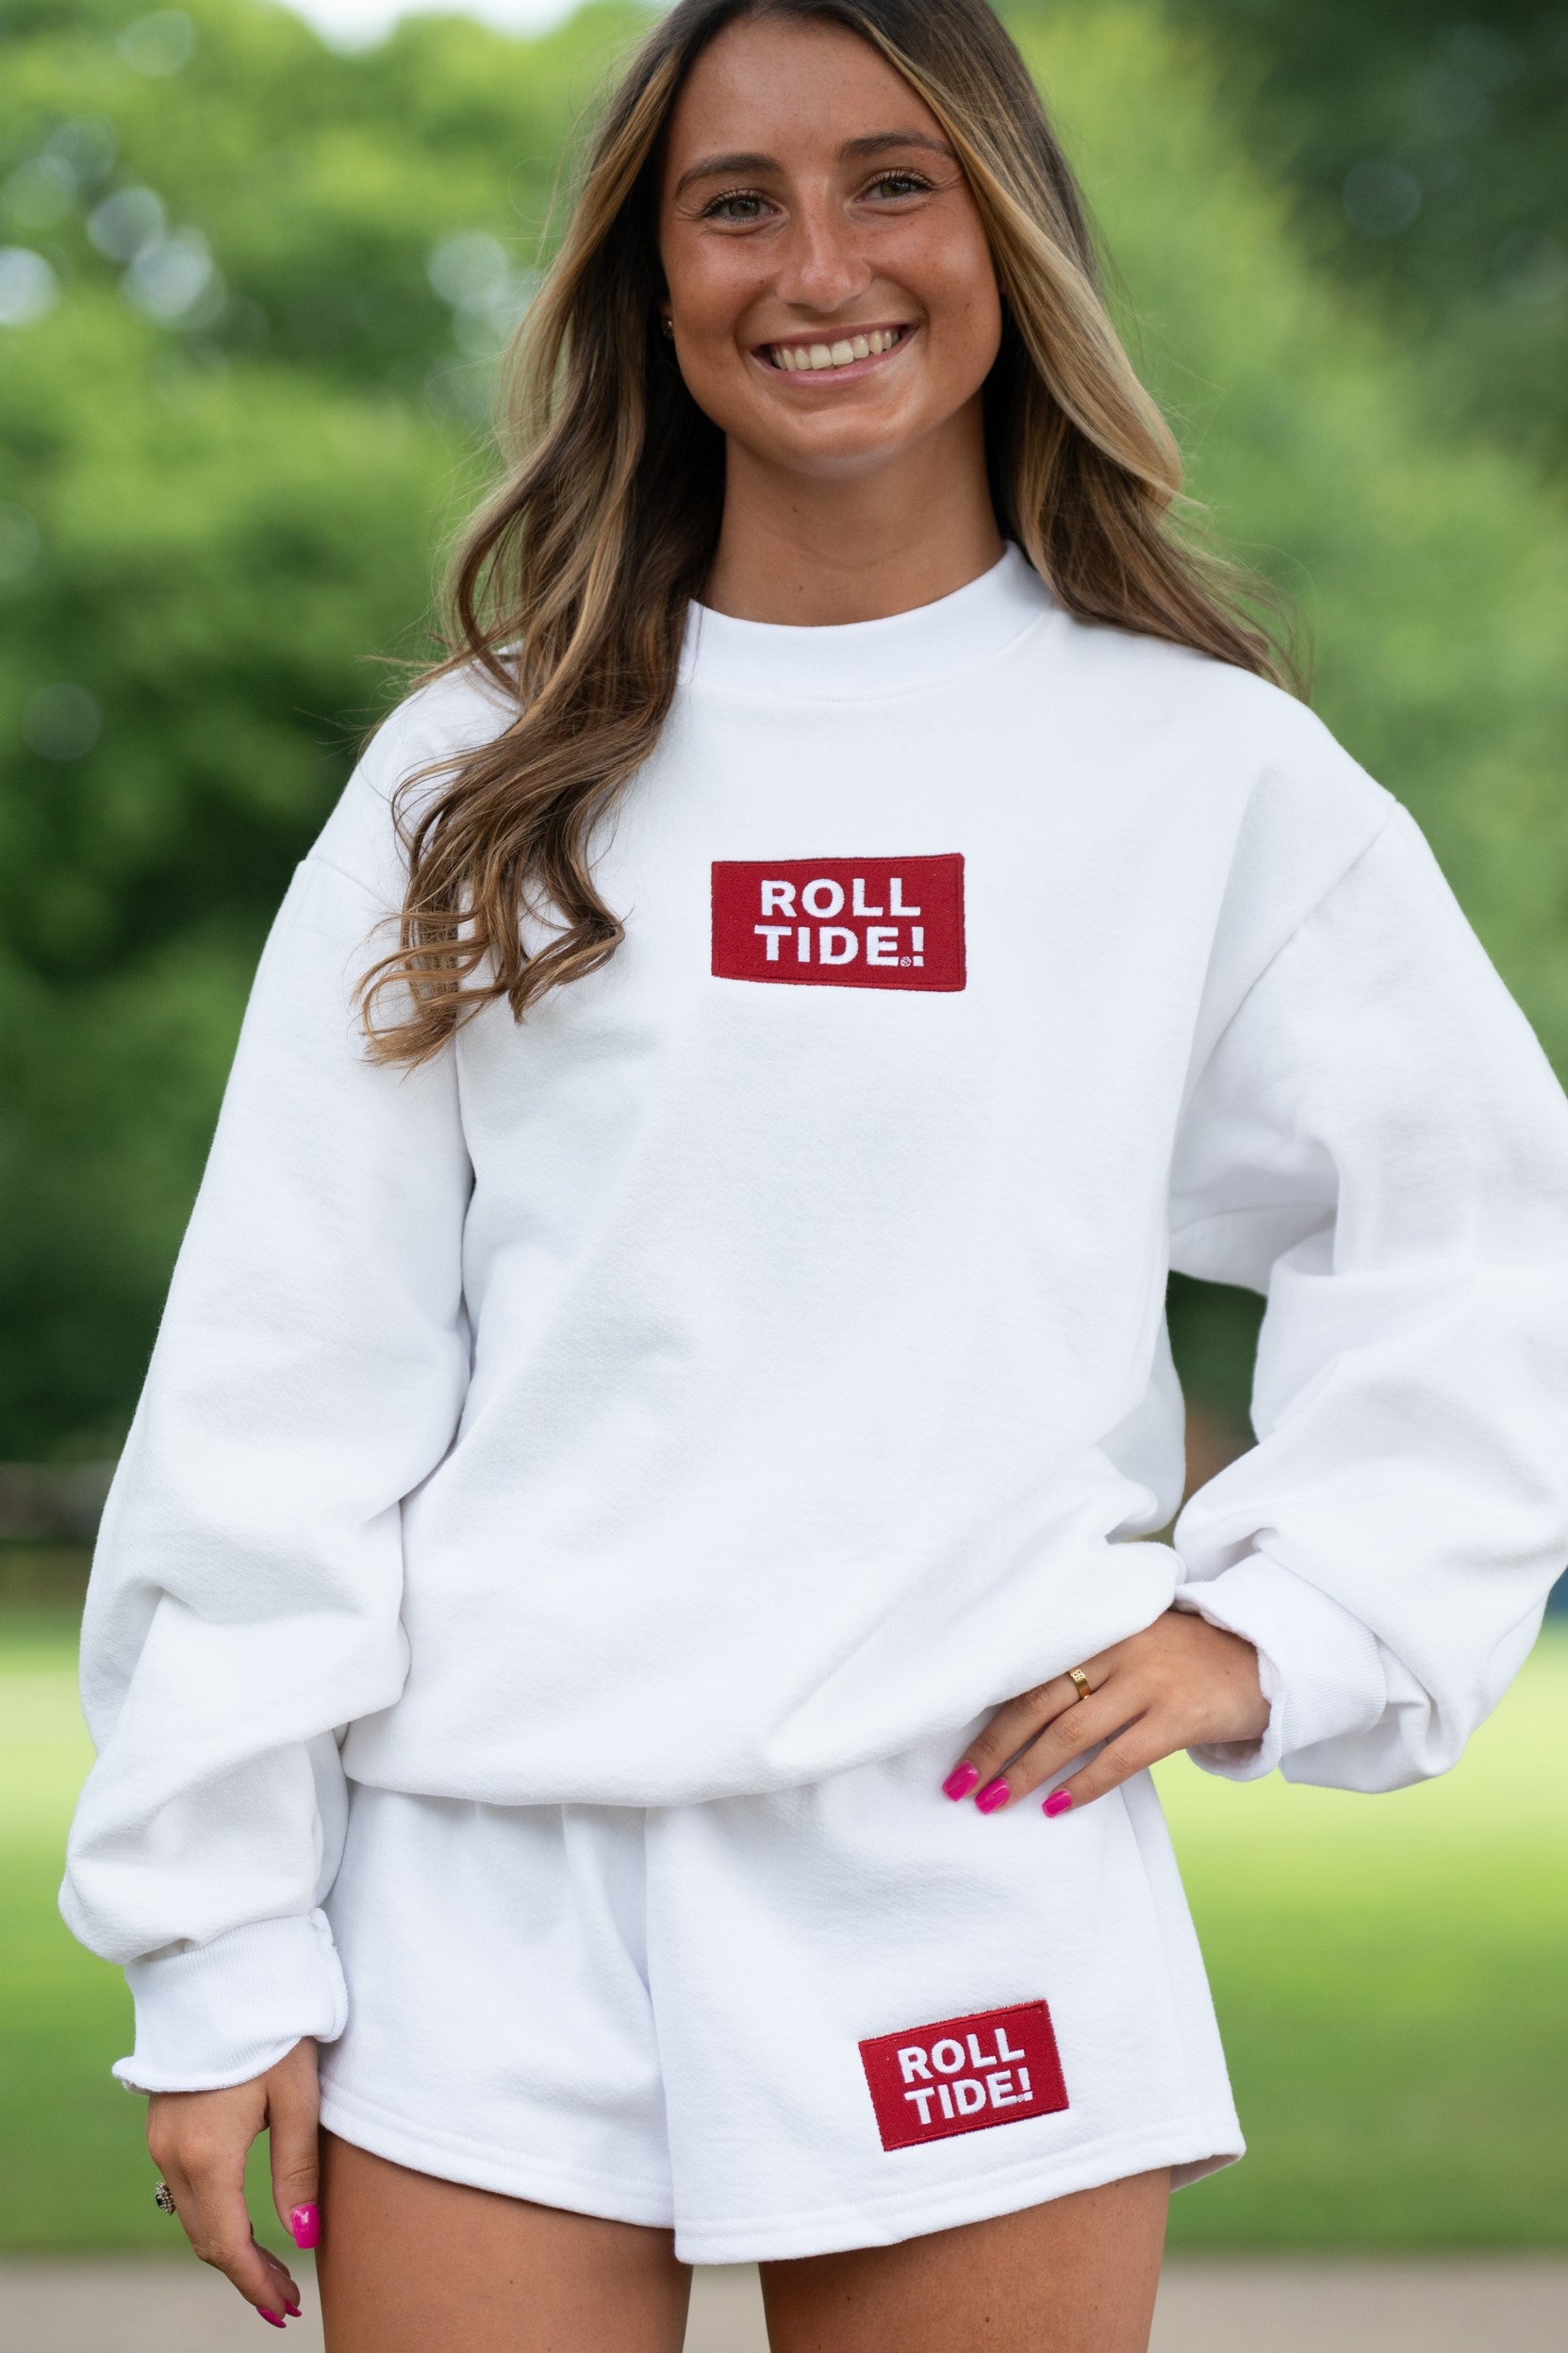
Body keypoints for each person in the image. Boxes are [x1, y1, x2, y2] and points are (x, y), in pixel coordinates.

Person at [58, 2, 1568, 2348]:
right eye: (729, 202)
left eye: (890, 182)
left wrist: (1297, 1625)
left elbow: (1482, 1233)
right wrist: (220, 1935)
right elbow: (289, 1369)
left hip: (967, 1860)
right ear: (648, 289)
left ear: (1005, 236)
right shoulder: (472, 782)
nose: (811, 261)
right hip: (486, 1893)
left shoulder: (1197, 775)